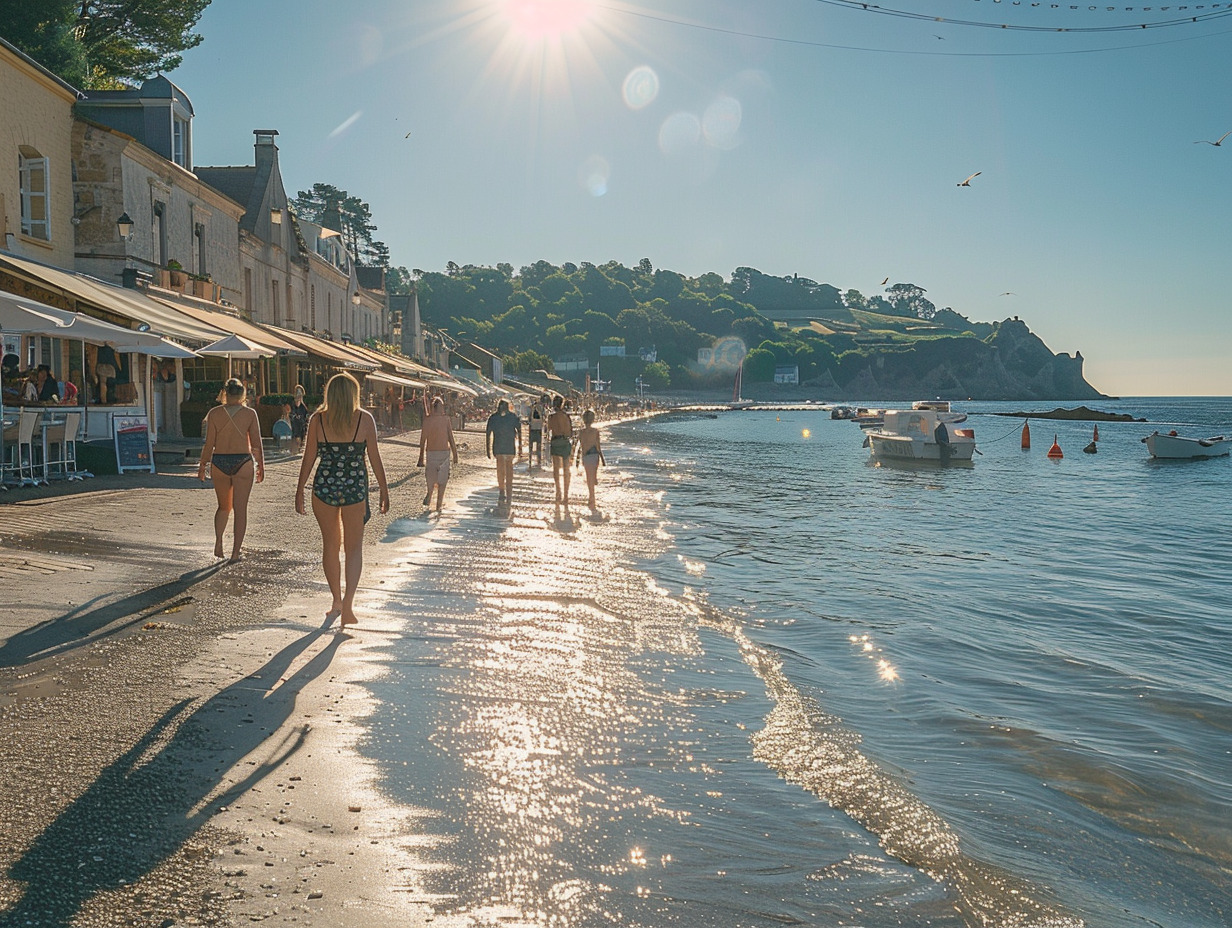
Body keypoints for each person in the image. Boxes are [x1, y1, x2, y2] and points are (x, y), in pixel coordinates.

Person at [294, 372, 390, 627]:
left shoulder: (318, 420)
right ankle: (348, 605)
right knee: (354, 548)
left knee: (330, 546)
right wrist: (384, 489)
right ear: (353, 394)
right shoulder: (365, 419)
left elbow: (309, 457)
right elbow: (374, 458)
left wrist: (299, 489)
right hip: (354, 489)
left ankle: (336, 600)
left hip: (324, 487)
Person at [197, 378, 265, 562]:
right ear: (243, 394)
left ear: (225, 394)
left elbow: (209, 443)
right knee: (240, 509)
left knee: (223, 506)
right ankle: (235, 553)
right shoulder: (250, 414)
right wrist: (261, 467)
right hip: (242, 461)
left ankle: (219, 542)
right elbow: (257, 445)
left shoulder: (214, 413)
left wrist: (203, 465)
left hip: (219, 461)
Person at [417, 395, 458, 511]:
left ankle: (431, 495)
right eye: (442, 407)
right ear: (438, 408)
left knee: (431, 477)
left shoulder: (428, 420)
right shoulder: (445, 420)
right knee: (442, 480)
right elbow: (451, 437)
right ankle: (438, 504)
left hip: (432, 453)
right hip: (443, 453)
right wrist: (455, 454)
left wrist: (421, 457)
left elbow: (422, 440)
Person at [485, 399, 522, 504]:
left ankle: (502, 490)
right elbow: (519, 432)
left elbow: (488, 434)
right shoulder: (513, 417)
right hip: (509, 448)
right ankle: (507, 489)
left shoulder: (493, 418)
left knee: (500, 469)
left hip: (499, 448)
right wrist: (520, 448)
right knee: (508, 469)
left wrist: (488, 450)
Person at [574, 408, 606, 511]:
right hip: (595, 455)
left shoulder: (581, 432)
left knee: (588, 477)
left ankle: (591, 496)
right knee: (594, 473)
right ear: (593, 420)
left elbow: (580, 446)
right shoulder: (596, 431)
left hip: (586, 456)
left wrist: (577, 460)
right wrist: (602, 459)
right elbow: (598, 447)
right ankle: (594, 486)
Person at [547, 395, 574, 504]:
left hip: (555, 441)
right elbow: (569, 432)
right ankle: (566, 495)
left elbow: (548, 429)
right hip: (565, 442)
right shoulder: (566, 417)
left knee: (556, 469)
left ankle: (558, 492)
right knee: (566, 469)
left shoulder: (551, 417)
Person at [289, 384, 310, 454]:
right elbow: (290, 413)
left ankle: (299, 447)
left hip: (301, 423)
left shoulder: (303, 406)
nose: (299, 396)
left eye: (300, 394)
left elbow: (306, 415)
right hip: (295, 423)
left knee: (301, 435)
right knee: (296, 435)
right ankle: (296, 448)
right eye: (298, 393)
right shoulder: (293, 405)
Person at [527, 396, 545, 467]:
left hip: (533, 429)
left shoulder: (532, 409)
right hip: (538, 430)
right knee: (539, 447)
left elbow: (529, 420)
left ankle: (530, 462)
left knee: (531, 447)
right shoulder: (541, 409)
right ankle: (539, 462)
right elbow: (543, 419)